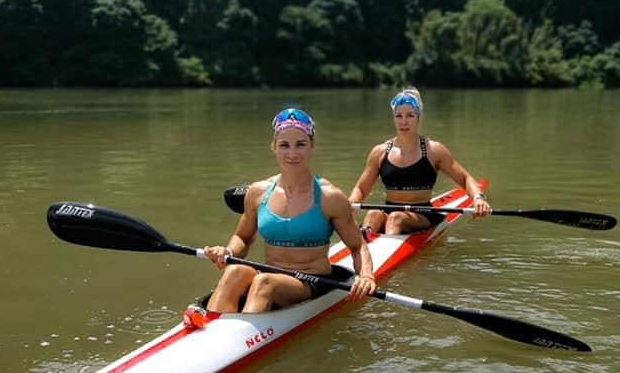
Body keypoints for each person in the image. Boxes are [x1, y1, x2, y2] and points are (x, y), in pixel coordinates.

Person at [204, 107, 377, 313]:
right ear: (274, 147)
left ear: (312, 146)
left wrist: (366, 276)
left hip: (312, 282)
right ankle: (209, 327)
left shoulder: (330, 197)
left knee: (264, 283)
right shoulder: (257, 193)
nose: (292, 153)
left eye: (300, 145)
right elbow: (242, 237)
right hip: (270, 273)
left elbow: (357, 246)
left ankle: (246, 337)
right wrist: (228, 251)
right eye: (284, 145)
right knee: (234, 272)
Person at [348, 87, 491, 235]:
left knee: (396, 218)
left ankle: (385, 250)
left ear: (418, 118)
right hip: (389, 212)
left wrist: (478, 198)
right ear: (394, 119)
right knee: (372, 214)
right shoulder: (380, 152)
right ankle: (363, 243)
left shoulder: (434, 151)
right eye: (399, 116)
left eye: (410, 115)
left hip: (423, 215)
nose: (404, 122)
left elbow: (465, 178)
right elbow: (361, 189)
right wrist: (352, 200)